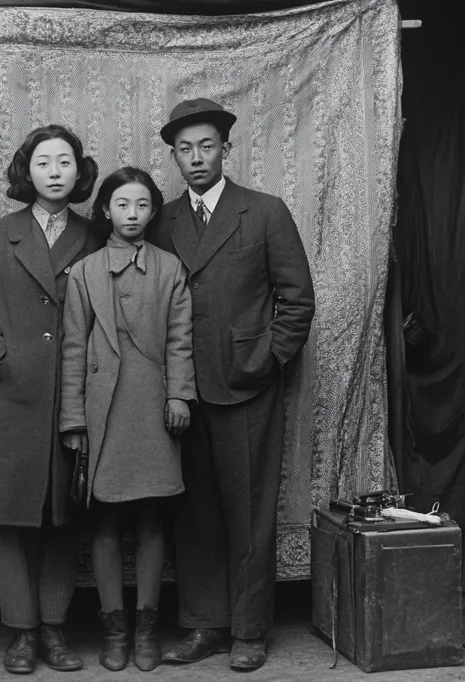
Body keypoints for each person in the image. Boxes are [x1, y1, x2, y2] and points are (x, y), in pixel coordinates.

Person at [146, 98, 315, 672]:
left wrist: (263, 361)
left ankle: (248, 631)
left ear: (226, 148)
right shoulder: (162, 219)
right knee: (194, 513)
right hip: (180, 387)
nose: (196, 158)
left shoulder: (264, 212)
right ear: (174, 156)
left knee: (248, 510)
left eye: (207, 146)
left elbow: (297, 303)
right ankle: (203, 625)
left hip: (246, 385)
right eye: (185, 149)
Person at [0, 124, 102, 675]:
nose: (55, 172)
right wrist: (3, 360)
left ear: (79, 171)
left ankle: (57, 631)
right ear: (27, 172)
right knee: (13, 518)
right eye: (44, 162)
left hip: (74, 396)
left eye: (65, 162)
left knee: (64, 517)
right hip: (12, 397)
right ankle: (21, 633)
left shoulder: (93, 235)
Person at [59, 167, 196, 672]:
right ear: (105, 211)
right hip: (102, 411)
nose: (132, 215)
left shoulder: (170, 268)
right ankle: (113, 630)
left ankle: (146, 630)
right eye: (122, 205)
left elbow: (182, 339)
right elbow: (73, 348)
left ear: (153, 211)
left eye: (141, 205)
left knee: (153, 521)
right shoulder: (84, 272)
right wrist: (74, 418)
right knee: (106, 522)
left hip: (154, 408)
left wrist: (180, 395)